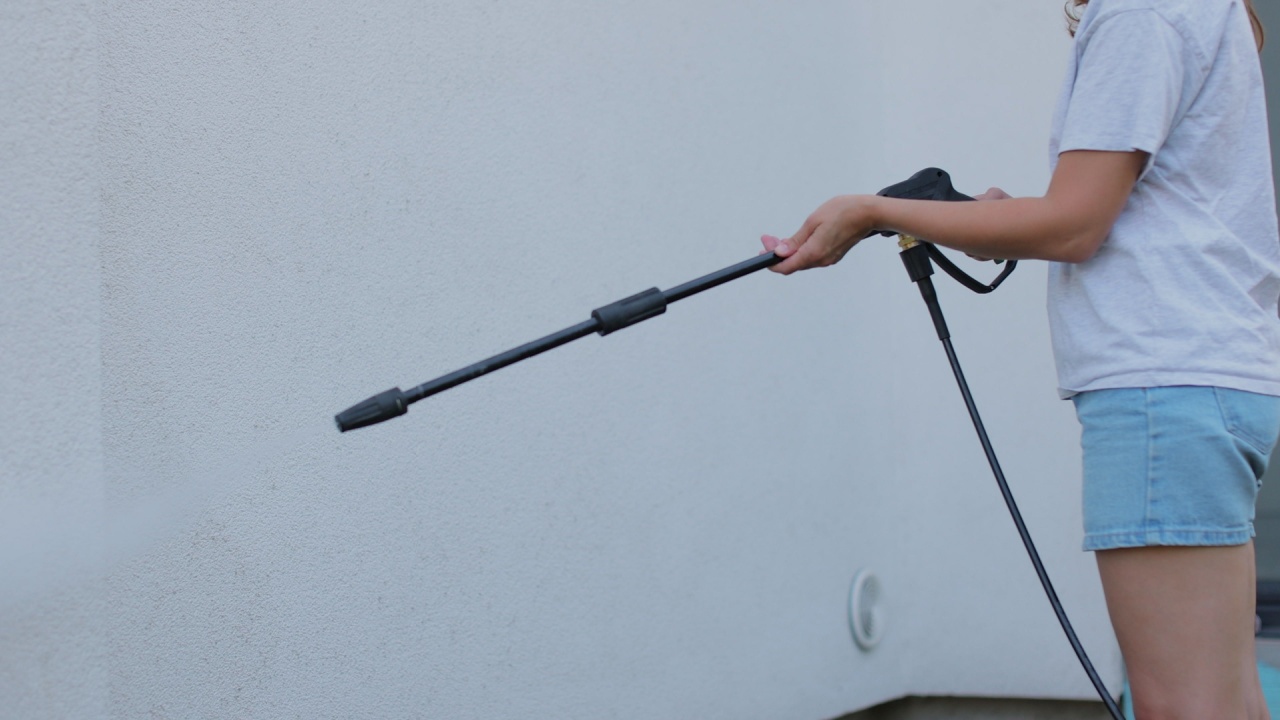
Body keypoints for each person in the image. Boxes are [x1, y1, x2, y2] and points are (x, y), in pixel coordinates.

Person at [762, 1, 1278, 717]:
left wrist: (874, 212)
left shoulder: (1140, 11)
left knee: (1181, 709)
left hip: (1162, 390)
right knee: (1226, 706)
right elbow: (1116, 209)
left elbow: (1075, 224)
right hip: (1206, 383)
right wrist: (988, 220)